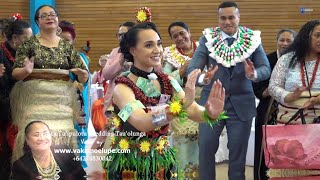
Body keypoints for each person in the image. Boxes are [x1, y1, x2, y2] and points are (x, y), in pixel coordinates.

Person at [102, 22, 226, 180]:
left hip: (161, 159)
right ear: (133, 50)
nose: (157, 50)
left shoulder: (167, 81)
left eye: (159, 44)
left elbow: (193, 110)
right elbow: (142, 122)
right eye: (149, 45)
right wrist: (180, 105)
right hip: (130, 164)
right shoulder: (122, 88)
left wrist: (209, 112)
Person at [186, 2, 271, 180]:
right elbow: (192, 68)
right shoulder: (207, 38)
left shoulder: (252, 39)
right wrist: (203, 78)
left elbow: (266, 68)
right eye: (223, 18)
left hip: (241, 104)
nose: (227, 22)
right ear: (218, 19)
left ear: (238, 18)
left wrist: (253, 73)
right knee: (206, 149)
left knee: (238, 155)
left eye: (231, 17)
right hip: (210, 104)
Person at [10, 5, 88, 162]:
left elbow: (82, 77)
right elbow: (15, 74)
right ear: (37, 22)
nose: (49, 17)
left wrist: (83, 76)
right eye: (44, 16)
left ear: (57, 19)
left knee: (61, 145)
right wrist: (26, 70)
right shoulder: (28, 44)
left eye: (52, 15)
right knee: (36, 138)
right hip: (35, 101)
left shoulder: (67, 47)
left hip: (61, 103)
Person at [253, 28, 296, 180]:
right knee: (263, 152)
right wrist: (276, 89)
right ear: (277, 42)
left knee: (289, 151)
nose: (284, 43)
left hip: (292, 113)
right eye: (281, 40)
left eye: (288, 40)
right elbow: (257, 89)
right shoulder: (265, 60)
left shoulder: (298, 61)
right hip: (268, 111)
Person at [162, 21, 202, 178]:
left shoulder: (203, 49)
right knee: (185, 152)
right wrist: (181, 71)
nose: (179, 38)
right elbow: (165, 81)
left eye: (182, 33)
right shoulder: (169, 56)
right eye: (174, 36)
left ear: (189, 32)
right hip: (184, 108)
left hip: (204, 106)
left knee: (205, 152)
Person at [268, 20, 320, 125]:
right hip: (289, 121)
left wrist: (317, 100)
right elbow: (273, 87)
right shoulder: (287, 59)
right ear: (306, 36)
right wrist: (289, 96)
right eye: (317, 35)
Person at [0, 14, 32, 180]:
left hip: (21, 109)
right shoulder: (1, 52)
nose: (30, 42)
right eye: (27, 38)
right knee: (7, 152)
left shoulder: (24, 54)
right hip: (5, 111)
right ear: (14, 38)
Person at [11, 121, 86, 179]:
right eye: (36, 135)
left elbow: (81, 176)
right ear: (27, 140)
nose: (42, 138)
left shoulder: (65, 152)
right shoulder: (20, 165)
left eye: (45, 133)